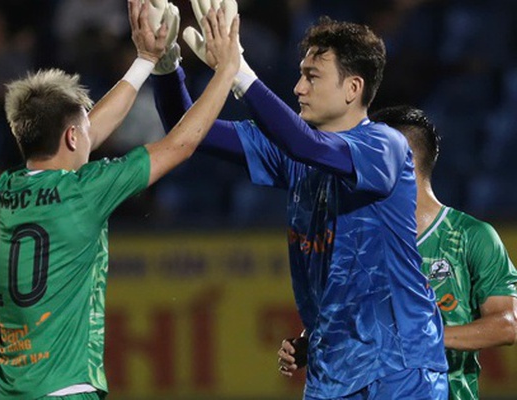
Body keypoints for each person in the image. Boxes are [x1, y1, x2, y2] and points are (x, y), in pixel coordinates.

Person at [151, 1, 448, 398]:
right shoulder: (293, 154)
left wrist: (238, 72)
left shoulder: (384, 145)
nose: (298, 88)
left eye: (312, 77)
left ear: (353, 88)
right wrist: (165, 65)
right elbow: (186, 129)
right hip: (331, 373)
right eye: (300, 75)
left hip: (399, 368)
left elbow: (305, 144)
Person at [0, 0, 241, 398]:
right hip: (66, 389)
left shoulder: (7, 189)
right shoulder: (85, 190)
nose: (91, 131)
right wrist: (226, 71)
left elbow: (80, 135)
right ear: (72, 137)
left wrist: (144, 61)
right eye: (83, 128)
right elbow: (179, 145)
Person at [278, 106, 517, 400]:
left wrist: (420, 339)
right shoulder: (356, 239)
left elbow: (507, 325)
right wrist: (311, 343)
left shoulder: (471, 236)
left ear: (400, 159)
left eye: (368, 155)